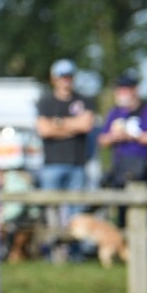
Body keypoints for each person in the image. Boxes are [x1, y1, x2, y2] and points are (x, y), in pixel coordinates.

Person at [35, 59, 94, 226]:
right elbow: (44, 130)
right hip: (52, 164)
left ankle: (74, 243)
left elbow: (86, 126)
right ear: (53, 78)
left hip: (77, 164)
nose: (65, 80)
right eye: (62, 76)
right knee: (51, 209)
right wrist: (74, 126)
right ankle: (54, 242)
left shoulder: (84, 100)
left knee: (76, 211)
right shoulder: (45, 102)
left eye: (69, 76)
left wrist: (57, 123)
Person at [98, 71, 147, 188]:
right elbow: (102, 140)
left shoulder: (146, 111)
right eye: (119, 89)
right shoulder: (115, 113)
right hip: (119, 166)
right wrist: (114, 137)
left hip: (141, 166)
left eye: (124, 89)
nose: (120, 92)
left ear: (134, 90)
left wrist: (132, 136)